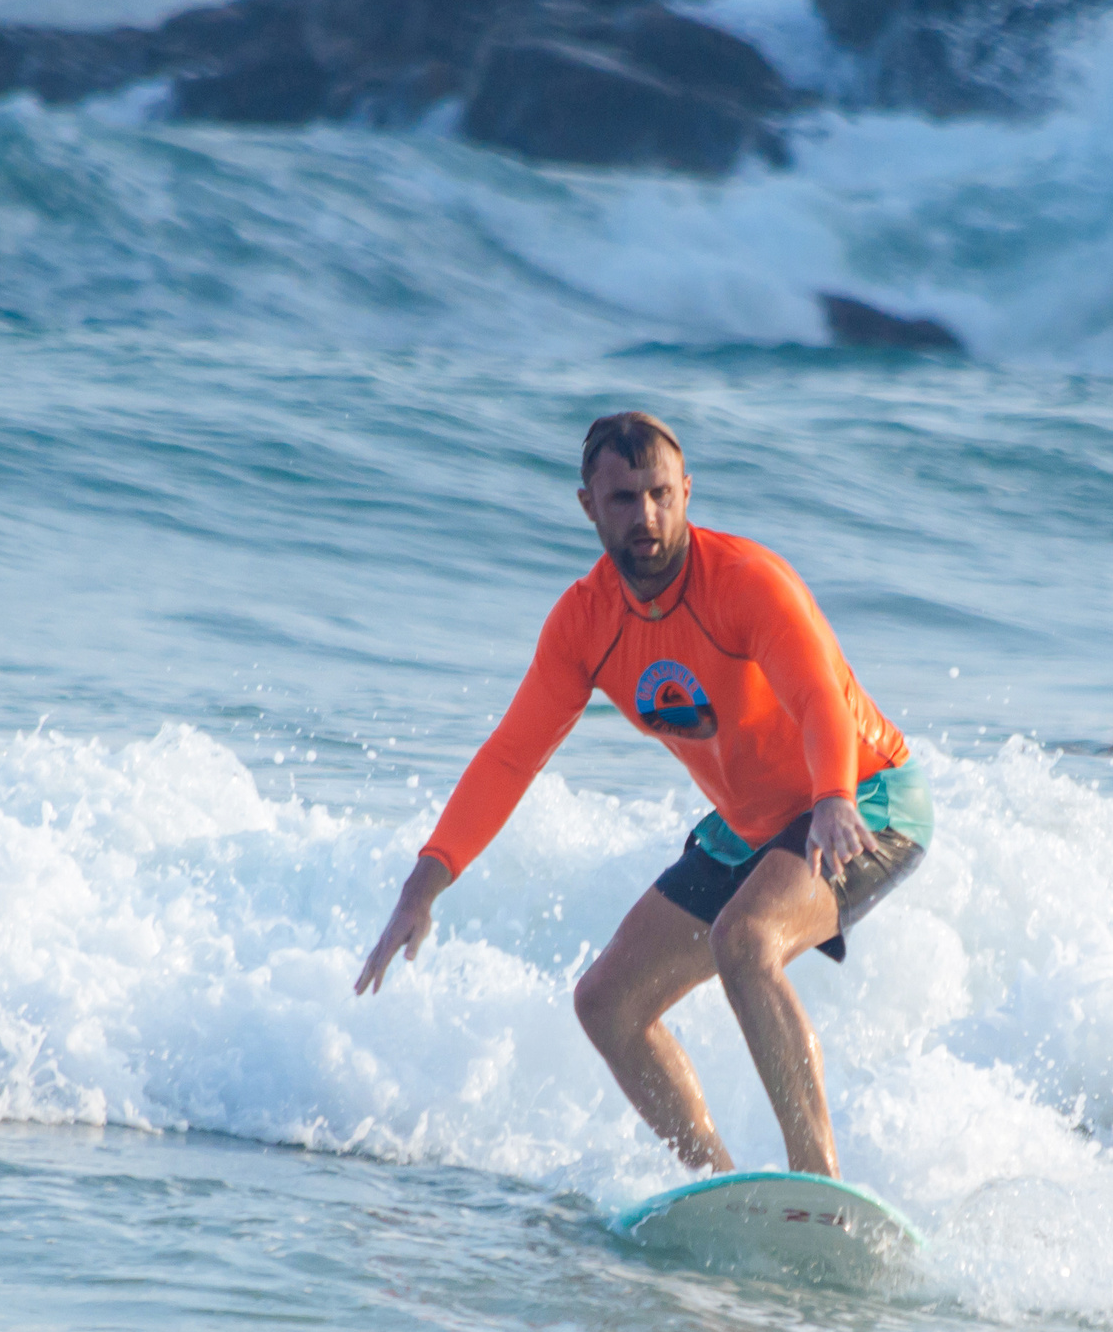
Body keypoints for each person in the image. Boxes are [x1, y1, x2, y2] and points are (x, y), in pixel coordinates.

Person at [354, 411, 929, 1178]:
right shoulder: (585, 623)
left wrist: (831, 796)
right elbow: (509, 757)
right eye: (624, 499)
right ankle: (723, 1190)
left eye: (661, 494)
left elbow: (820, 697)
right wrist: (422, 886)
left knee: (746, 940)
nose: (647, 516)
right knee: (607, 1003)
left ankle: (817, 1188)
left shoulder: (747, 583)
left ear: (687, 491)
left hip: (863, 796)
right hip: (751, 823)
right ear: (589, 505)